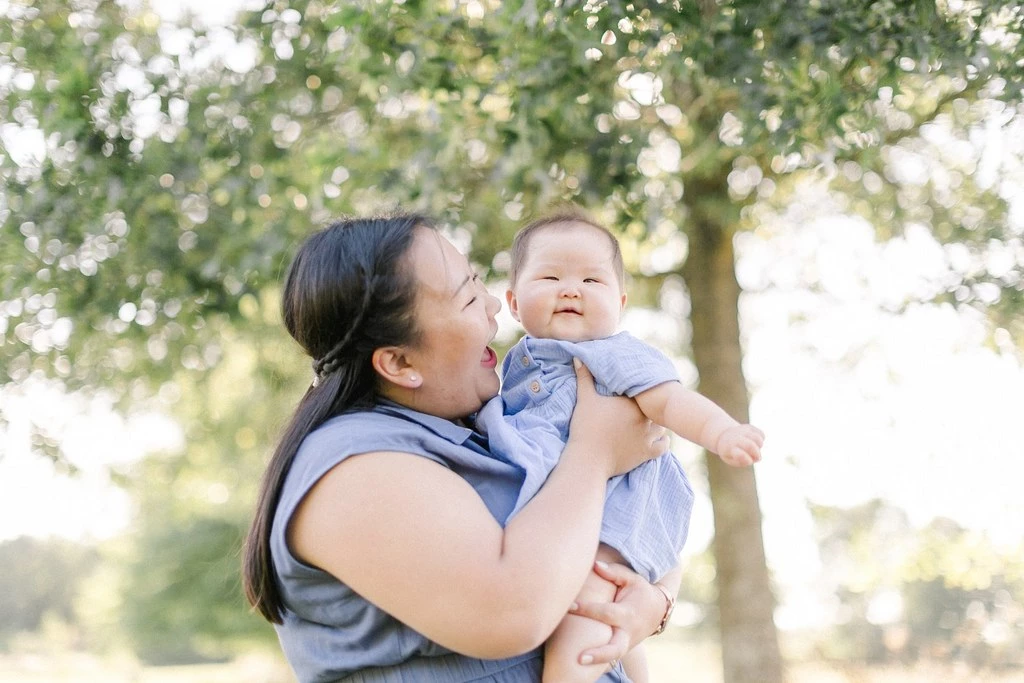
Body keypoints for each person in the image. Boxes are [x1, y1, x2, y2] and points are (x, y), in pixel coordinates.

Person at [241, 214, 678, 683]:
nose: (493, 305)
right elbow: (509, 613)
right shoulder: (350, 469)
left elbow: (632, 521)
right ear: (399, 361)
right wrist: (595, 452)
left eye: (477, 281)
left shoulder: (488, 426)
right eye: (468, 296)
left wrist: (655, 603)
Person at [475, 209, 765, 683]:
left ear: (621, 301)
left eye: (592, 279)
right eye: (550, 276)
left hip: (615, 515)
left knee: (584, 620)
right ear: (511, 300)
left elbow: (671, 402)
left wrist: (721, 432)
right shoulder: (513, 368)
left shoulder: (613, 353)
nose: (571, 289)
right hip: (565, 517)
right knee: (617, 633)